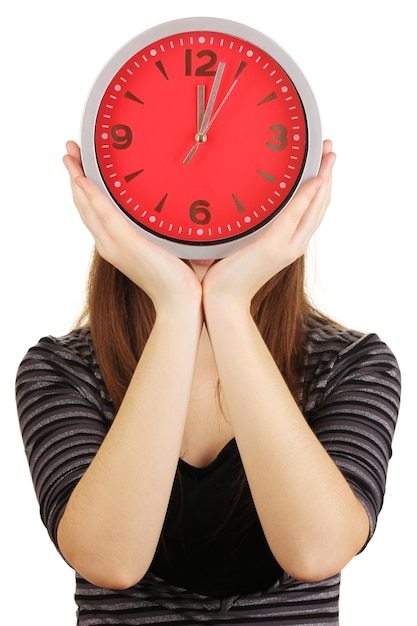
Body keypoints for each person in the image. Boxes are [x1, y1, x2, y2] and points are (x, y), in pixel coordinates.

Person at [16, 138, 400, 625]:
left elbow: (317, 550)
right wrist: (177, 306)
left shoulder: (351, 363)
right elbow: (109, 561)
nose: (204, 227)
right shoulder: (61, 370)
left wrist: (227, 306)